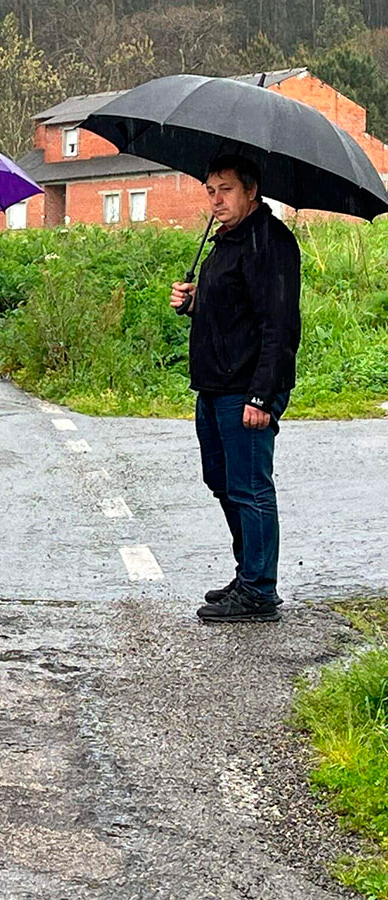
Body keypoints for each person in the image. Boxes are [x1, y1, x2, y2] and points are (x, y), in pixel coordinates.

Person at [169, 155, 301, 624]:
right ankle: (249, 574)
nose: (216, 200)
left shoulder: (270, 243)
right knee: (222, 482)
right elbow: (233, 307)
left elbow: (279, 326)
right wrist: (193, 302)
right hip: (214, 384)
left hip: (246, 388)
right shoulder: (226, 240)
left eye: (225, 190)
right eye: (210, 191)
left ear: (251, 190)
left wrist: (261, 396)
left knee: (250, 488)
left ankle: (260, 592)